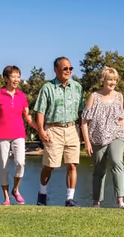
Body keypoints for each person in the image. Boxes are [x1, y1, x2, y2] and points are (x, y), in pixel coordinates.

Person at [34, 57, 85, 207]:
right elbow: (40, 111)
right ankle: (42, 194)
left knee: (72, 165)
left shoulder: (77, 87)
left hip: (72, 129)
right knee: (50, 165)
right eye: (65, 69)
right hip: (53, 129)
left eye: (70, 68)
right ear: (56, 70)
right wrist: (41, 130)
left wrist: (82, 132)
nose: (68, 71)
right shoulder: (47, 87)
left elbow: (81, 112)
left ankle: (70, 199)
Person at [0, 65, 38, 205]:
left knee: (20, 163)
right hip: (1, 135)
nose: (16, 79)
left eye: (18, 77)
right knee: (3, 166)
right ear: (6, 78)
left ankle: (16, 190)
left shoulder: (22, 96)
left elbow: (28, 117)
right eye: (13, 76)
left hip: (18, 134)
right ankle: (6, 198)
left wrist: (40, 130)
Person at [80, 67, 124, 209]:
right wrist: (87, 142)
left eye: (115, 80)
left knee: (117, 162)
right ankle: (96, 202)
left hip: (116, 135)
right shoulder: (94, 97)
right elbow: (84, 121)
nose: (112, 82)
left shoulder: (119, 96)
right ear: (103, 80)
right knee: (99, 170)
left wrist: (123, 138)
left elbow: (121, 119)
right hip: (98, 138)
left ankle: (120, 201)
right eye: (110, 79)